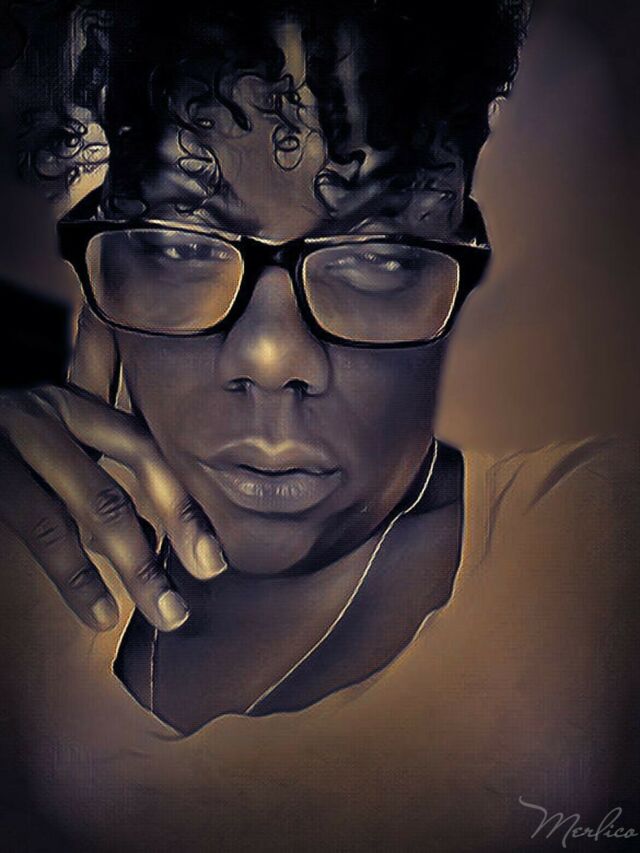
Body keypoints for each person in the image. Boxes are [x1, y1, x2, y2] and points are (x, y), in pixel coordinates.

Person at [1, 1, 638, 849]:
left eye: (375, 252)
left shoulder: (595, 551)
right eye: (181, 241)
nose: (271, 356)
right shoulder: (21, 551)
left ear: (456, 259)